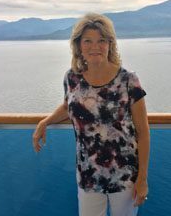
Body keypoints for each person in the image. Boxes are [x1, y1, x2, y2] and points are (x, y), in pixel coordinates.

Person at [32, 13, 150, 216]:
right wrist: (45, 121)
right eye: (88, 41)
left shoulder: (128, 80)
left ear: (110, 45)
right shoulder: (72, 78)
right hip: (88, 174)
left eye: (101, 41)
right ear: (78, 46)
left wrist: (142, 179)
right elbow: (69, 106)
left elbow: (143, 132)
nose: (95, 46)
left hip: (124, 175)